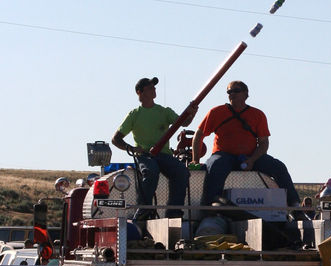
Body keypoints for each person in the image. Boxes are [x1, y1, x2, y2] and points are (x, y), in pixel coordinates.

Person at [191, 81, 301, 210]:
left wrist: (252, 160)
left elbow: (264, 143)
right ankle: (209, 207)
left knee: (279, 167)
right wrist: (195, 160)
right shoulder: (216, 112)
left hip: (250, 156)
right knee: (215, 166)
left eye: (236, 91)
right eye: (229, 92)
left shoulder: (257, 115)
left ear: (246, 94)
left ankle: (295, 205)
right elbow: (198, 135)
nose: (232, 94)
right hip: (224, 155)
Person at [112, 76, 198, 219]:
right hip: (145, 155)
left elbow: (184, 123)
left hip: (164, 155)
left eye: (154, 87)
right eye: (150, 87)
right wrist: (133, 149)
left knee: (181, 172)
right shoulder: (135, 115)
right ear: (139, 92)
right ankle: (144, 209)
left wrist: (192, 112)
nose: (154, 89)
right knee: (151, 171)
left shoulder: (164, 112)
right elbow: (116, 139)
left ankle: (174, 211)